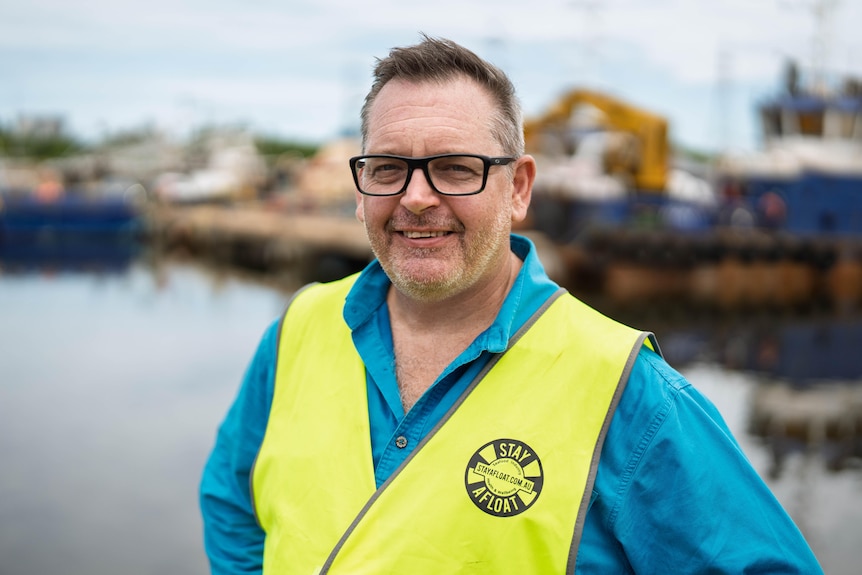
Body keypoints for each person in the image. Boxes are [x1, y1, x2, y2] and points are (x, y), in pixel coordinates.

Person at [199, 35, 823, 574]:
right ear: (361, 188)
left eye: (455, 168)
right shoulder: (300, 327)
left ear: (518, 188)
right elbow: (232, 500)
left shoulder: (624, 392)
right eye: (389, 169)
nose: (416, 198)